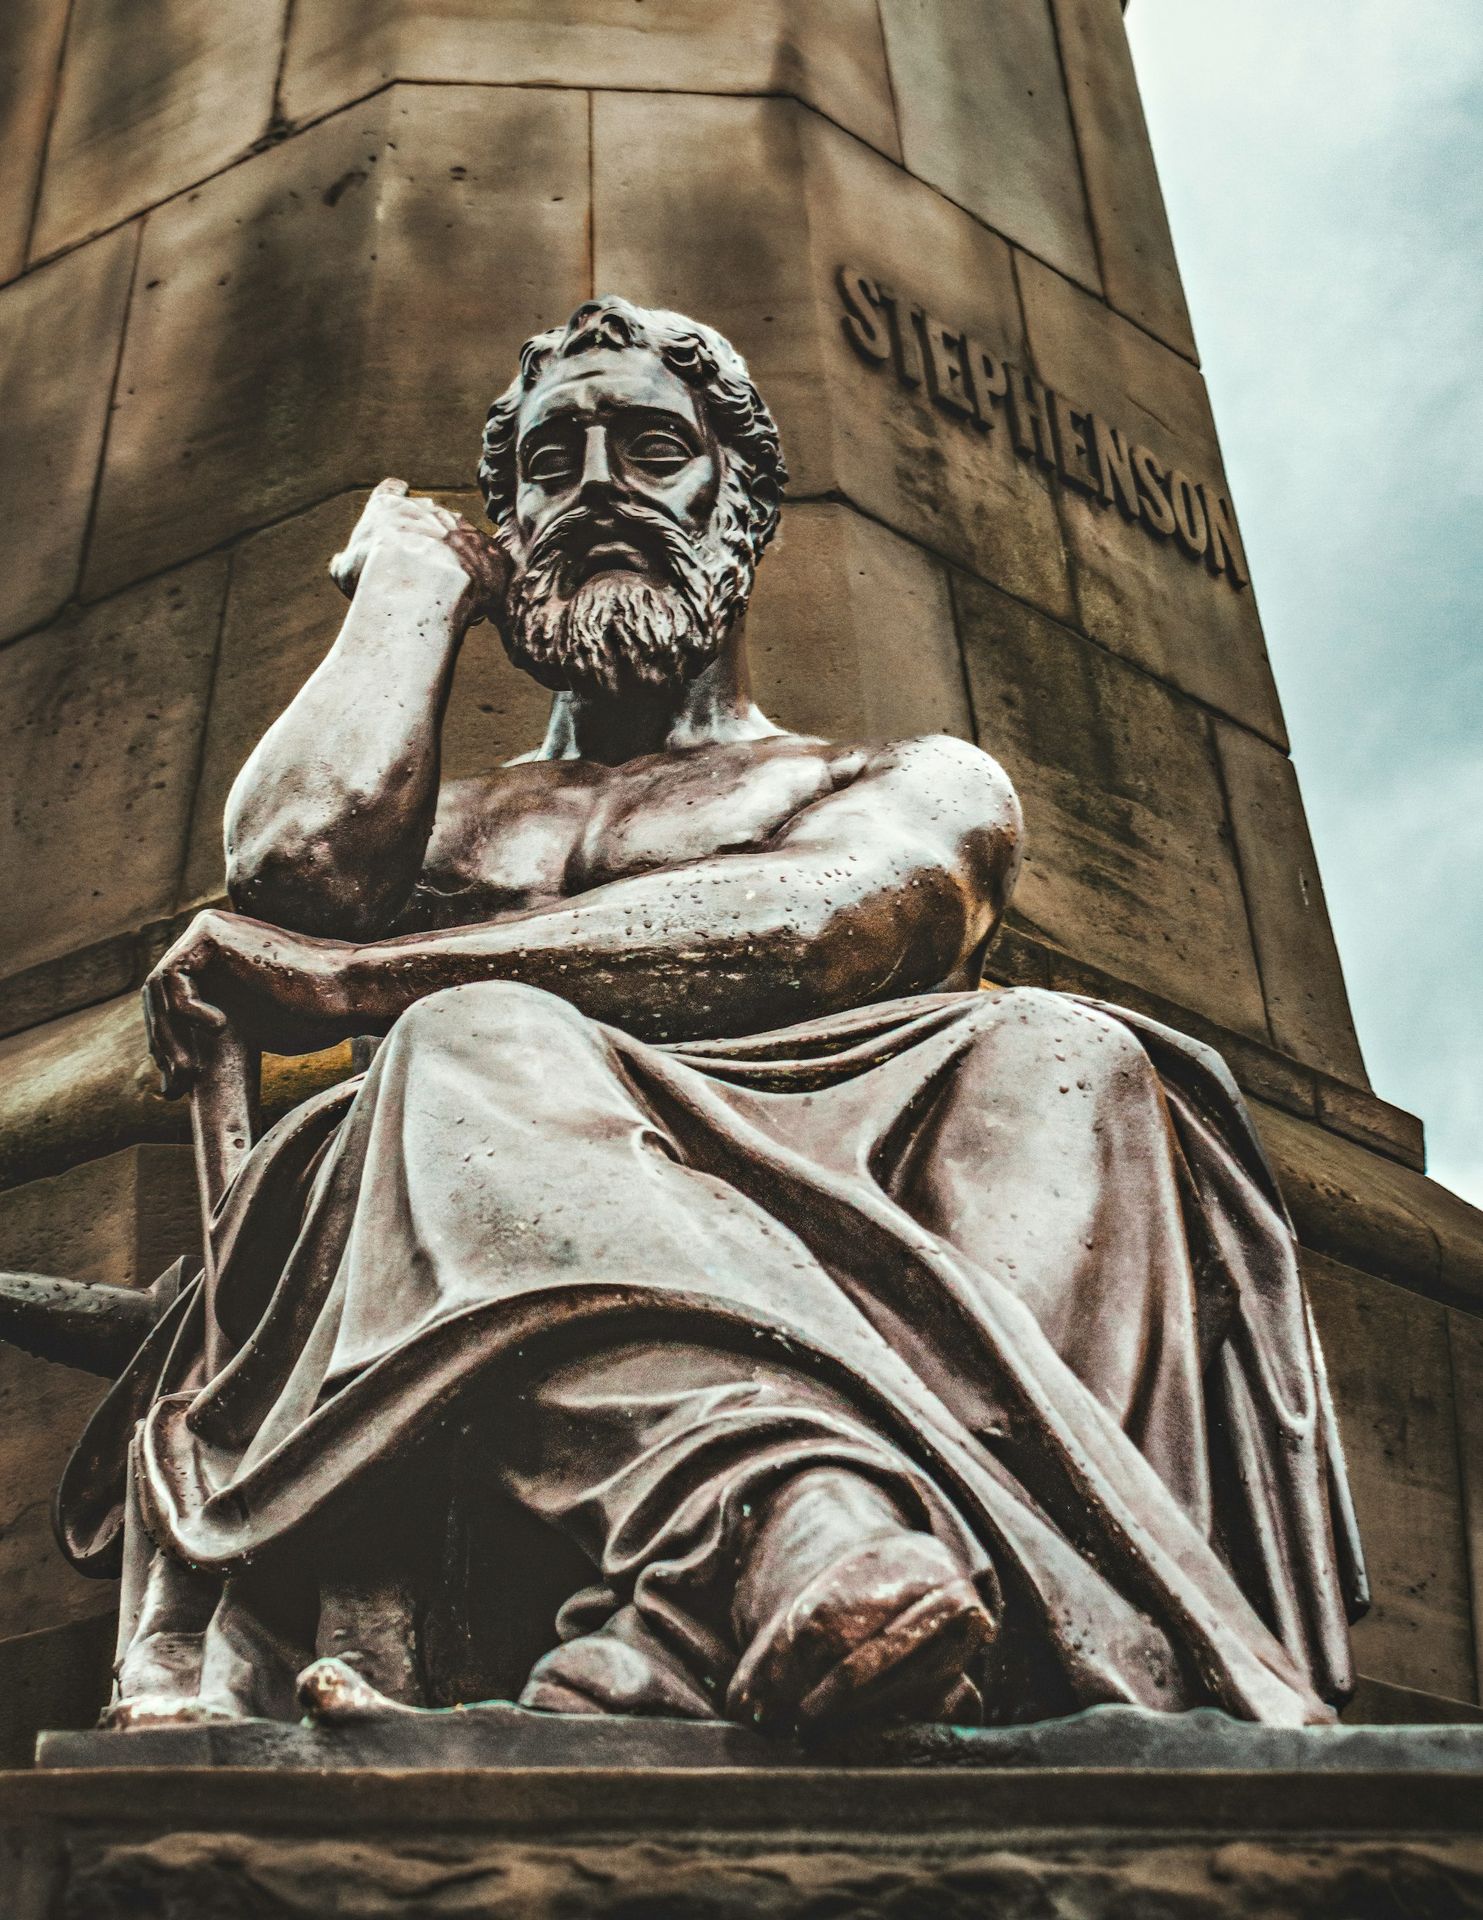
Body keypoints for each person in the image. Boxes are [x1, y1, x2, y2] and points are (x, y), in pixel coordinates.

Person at [60, 298, 1364, 1736]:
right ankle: (801, 1521)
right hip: (495, 1159)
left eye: (653, 448)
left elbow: (829, 929)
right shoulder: (443, 831)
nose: (598, 486)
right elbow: (288, 877)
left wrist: (363, 987)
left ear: (747, 505)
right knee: (476, 1039)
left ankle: (751, 1596)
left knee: (1068, 1055)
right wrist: (412, 591)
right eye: (551, 463)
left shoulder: (898, 776)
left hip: (833, 1130)